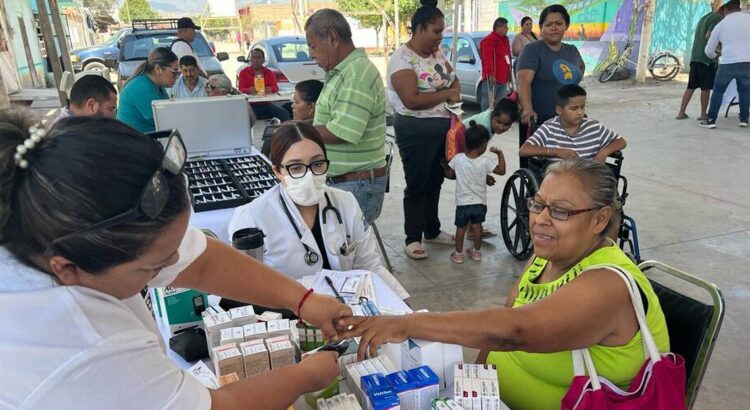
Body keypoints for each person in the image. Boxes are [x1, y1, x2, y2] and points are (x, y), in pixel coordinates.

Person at [0, 108, 350, 409]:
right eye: (155, 267)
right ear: (68, 269)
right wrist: (307, 374)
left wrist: (302, 300)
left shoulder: (41, 220)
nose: (175, 266)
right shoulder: (88, 346)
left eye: (174, 248)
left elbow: (202, 261)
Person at [336, 159, 670, 410]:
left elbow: (514, 331)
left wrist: (406, 324)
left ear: (599, 219)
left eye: (561, 212)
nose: (540, 219)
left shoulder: (607, 284)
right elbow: (502, 323)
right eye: (538, 204)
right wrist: (470, 385)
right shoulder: (547, 256)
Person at [228, 123, 408, 299]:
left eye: (317, 164)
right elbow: (246, 285)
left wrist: (403, 305)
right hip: (289, 313)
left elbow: (369, 266)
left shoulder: (345, 202)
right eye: (296, 167)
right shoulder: (252, 217)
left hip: (347, 307)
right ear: (277, 171)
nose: (309, 175)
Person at [387, 0, 460, 260]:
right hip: (415, 130)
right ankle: (412, 237)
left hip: (442, 128)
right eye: (436, 31)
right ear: (419, 29)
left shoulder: (437, 55)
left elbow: (453, 80)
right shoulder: (402, 59)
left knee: (435, 181)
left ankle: (432, 229)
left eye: (442, 32)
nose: (440, 37)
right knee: (417, 184)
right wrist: (446, 94)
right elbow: (412, 100)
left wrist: (451, 92)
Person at [305, 9, 388, 225]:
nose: (310, 53)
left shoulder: (356, 75)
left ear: (332, 38)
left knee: (347, 255)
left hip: (355, 185)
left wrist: (298, 131)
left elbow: (341, 131)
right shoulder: (343, 71)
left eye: (313, 46)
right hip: (346, 183)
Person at [517, 4, 584, 168]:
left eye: (558, 23)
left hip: (569, 123)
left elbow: (576, 81)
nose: (554, 28)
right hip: (540, 123)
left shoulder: (572, 51)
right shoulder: (533, 50)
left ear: (566, 26)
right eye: (548, 24)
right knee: (541, 173)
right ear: (541, 28)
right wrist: (527, 109)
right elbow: (523, 83)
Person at [443, 122, 505, 264]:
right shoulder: (485, 162)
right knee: (477, 227)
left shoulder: (458, 159)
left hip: (463, 203)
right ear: (484, 143)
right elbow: (501, 171)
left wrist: (443, 165)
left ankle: (458, 254)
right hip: (479, 203)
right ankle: (476, 252)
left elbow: (449, 173)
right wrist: (500, 154)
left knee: (461, 229)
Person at [520, 84, 626, 162]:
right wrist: (556, 152)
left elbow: (620, 141)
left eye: (582, 107)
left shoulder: (594, 127)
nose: (580, 112)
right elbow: (524, 150)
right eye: (574, 109)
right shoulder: (549, 128)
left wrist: (604, 152)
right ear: (559, 110)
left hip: (588, 177)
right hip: (558, 180)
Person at [700, 0, 750, 129]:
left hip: (728, 63)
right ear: (738, 9)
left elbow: (708, 50)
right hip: (747, 63)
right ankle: (744, 119)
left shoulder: (721, 24)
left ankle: (711, 120)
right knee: (745, 91)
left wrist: (715, 56)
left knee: (718, 90)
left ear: (726, 10)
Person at [676, 2, 729, 121]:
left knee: (691, 86)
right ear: (725, 11)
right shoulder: (718, 18)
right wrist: (719, 50)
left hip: (695, 57)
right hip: (706, 59)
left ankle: (681, 112)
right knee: (706, 88)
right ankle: (703, 114)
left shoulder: (705, 17)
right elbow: (709, 35)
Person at [117, 47, 179, 133]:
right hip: (132, 143)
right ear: (158, 69)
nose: (177, 77)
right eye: (175, 72)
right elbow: (167, 120)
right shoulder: (140, 88)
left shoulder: (159, 86)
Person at [238, 48, 291, 121]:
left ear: (263, 60)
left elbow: (275, 87)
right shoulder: (243, 73)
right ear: (250, 59)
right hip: (250, 105)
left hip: (266, 104)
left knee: (285, 114)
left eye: (259, 58)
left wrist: (270, 89)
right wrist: (249, 90)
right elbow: (240, 90)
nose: (256, 60)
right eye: (253, 57)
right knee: (246, 119)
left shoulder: (269, 73)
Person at [53, 74, 117, 125]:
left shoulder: (68, 125)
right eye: (111, 109)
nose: (114, 116)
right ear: (91, 105)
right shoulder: (74, 134)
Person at [479, 17, 512, 111]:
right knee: (488, 102)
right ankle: (484, 120)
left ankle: (497, 120)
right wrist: (490, 74)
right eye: (505, 27)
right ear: (498, 28)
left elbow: (508, 56)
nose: (507, 29)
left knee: (500, 102)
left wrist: (509, 72)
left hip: (503, 77)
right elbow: (487, 58)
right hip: (492, 77)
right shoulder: (489, 40)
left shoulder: (505, 40)